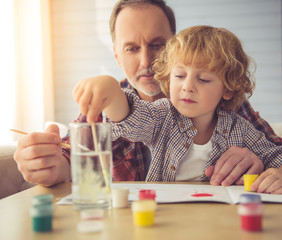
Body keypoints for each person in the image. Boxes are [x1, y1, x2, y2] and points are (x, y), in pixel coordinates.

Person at [14, 0, 281, 188]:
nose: (148, 61)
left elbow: (276, 153)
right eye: (131, 48)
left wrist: (266, 166)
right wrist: (48, 166)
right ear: (117, 55)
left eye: (157, 45)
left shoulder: (226, 104)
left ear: (175, 46)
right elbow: (70, 159)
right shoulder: (106, 104)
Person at [73, 25, 282, 194]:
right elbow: (129, 118)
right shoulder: (162, 116)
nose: (187, 86)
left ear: (227, 89)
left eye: (203, 79)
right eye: (179, 76)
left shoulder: (241, 129)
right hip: (164, 215)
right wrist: (111, 90)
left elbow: (276, 156)